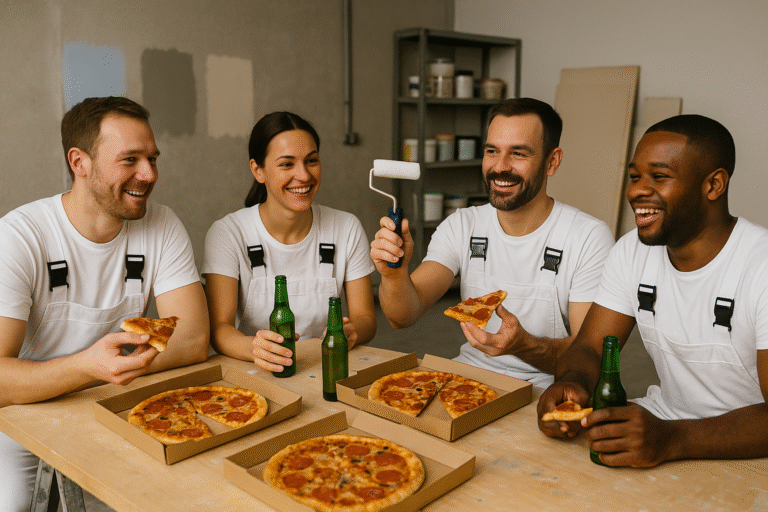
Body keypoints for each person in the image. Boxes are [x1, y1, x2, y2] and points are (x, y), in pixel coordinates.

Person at [0, 96, 209, 511]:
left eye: (152, 158)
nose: (148, 174)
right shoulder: (19, 235)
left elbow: (192, 339)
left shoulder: (162, 223)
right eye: (129, 159)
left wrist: (106, 370)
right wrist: (87, 366)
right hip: (23, 417)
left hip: (118, 404)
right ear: (80, 162)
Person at [538, 114, 768, 467]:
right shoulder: (632, 251)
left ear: (713, 185)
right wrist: (572, 383)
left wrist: (675, 439)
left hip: (746, 448)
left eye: (659, 177)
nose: (635, 191)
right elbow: (589, 347)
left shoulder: (760, 265)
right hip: (662, 424)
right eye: (634, 177)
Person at [371, 98, 614, 388]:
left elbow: (590, 356)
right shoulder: (462, 225)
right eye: (492, 151)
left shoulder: (587, 237)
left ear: (552, 162)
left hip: (550, 385)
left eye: (518, 154)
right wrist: (394, 274)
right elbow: (402, 316)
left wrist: (523, 345)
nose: (500, 167)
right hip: (469, 377)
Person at [202, 111, 376, 372]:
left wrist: (351, 332)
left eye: (312, 161)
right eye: (287, 164)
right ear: (257, 170)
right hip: (259, 371)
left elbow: (366, 319)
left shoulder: (346, 227)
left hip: (330, 366)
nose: (304, 176)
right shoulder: (228, 233)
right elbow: (219, 329)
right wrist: (255, 348)